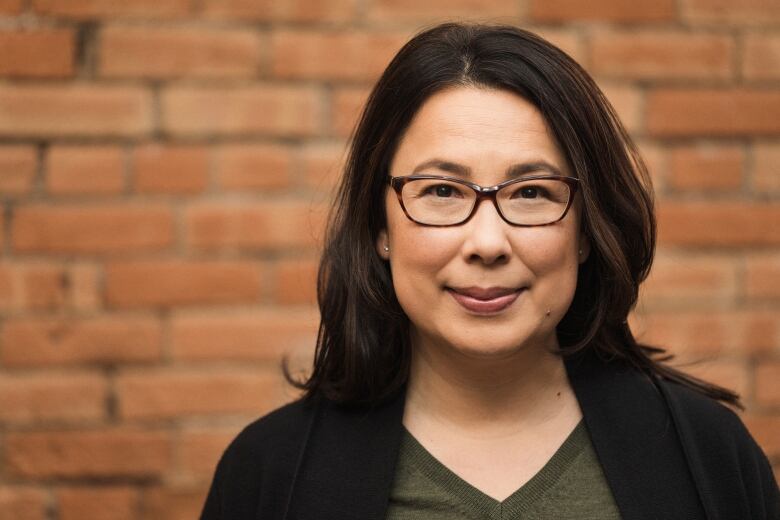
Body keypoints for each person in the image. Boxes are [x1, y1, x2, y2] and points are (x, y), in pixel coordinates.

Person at [199, 23, 779, 519]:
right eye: (442, 191)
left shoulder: (708, 458)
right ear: (380, 227)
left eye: (530, 192)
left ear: (585, 230)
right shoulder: (270, 474)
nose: (486, 242)